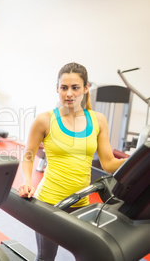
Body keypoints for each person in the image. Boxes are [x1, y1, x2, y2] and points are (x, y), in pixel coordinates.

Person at [18, 62, 126, 261]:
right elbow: (28, 156)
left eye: (75, 88)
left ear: (85, 88)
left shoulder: (98, 120)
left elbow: (109, 163)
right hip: (49, 203)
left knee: (87, 256)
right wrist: (27, 181)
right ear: (57, 89)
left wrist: (137, 160)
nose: (69, 93)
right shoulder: (45, 120)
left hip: (82, 202)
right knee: (45, 258)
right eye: (64, 88)